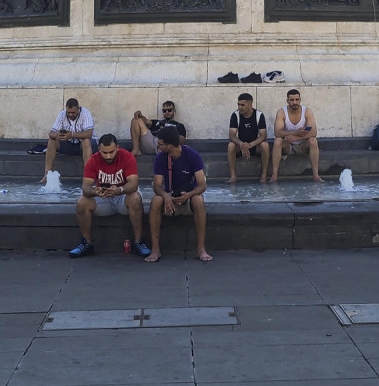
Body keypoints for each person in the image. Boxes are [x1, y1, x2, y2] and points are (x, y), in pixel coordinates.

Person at [70, 133, 150, 258]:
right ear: (99, 150)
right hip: (103, 199)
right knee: (82, 202)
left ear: (117, 147)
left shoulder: (127, 157)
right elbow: (85, 188)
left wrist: (119, 190)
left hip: (122, 197)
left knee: (135, 198)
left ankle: (138, 242)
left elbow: (133, 184)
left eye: (111, 152)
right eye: (104, 153)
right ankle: (87, 243)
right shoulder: (93, 160)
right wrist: (95, 191)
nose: (108, 156)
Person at [144, 130, 211, 263]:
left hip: (189, 196)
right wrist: (166, 196)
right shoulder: (160, 157)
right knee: (156, 200)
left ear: (169, 146)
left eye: (160, 144)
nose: (158, 146)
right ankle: (155, 249)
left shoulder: (192, 155)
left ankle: (201, 248)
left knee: (199, 200)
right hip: (170, 197)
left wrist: (189, 195)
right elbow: (156, 185)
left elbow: (202, 186)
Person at [270, 88, 321, 183]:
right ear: (287, 101)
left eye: (297, 99)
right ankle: (274, 176)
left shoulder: (307, 111)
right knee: (277, 141)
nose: (295, 102)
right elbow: (277, 132)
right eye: (292, 100)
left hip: (303, 145)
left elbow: (313, 132)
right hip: (287, 145)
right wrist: (294, 132)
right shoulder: (282, 112)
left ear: (300, 100)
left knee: (313, 141)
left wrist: (297, 137)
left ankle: (316, 176)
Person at [41, 97, 95, 182]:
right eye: (68, 112)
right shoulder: (62, 115)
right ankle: (47, 174)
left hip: (87, 146)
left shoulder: (85, 113)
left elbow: (89, 133)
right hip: (69, 144)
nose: (70, 115)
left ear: (78, 109)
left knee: (85, 140)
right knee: (52, 140)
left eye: (73, 112)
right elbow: (51, 133)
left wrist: (72, 135)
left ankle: (88, 176)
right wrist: (57, 135)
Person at [226, 93, 270, 183]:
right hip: (241, 147)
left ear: (250, 105)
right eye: (238, 104)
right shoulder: (235, 115)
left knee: (265, 145)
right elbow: (232, 135)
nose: (240, 107)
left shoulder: (259, 115)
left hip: (255, 146)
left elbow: (263, 135)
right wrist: (242, 144)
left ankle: (264, 176)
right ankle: (233, 176)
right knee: (231, 145)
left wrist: (251, 144)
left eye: (242, 105)